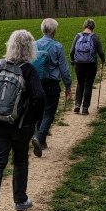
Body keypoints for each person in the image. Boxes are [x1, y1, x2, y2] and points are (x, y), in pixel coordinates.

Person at [0, 30, 45, 211]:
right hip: (21, 126)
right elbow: (39, 97)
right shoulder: (28, 70)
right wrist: (32, 119)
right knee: (21, 160)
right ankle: (20, 200)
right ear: (29, 48)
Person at [32, 18, 73, 157]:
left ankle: (42, 143)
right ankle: (39, 137)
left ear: (42, 30)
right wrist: (68, 85)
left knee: (38, 112)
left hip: (36, 83)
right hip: (51, 84)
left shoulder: (34, 45)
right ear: (54, 31)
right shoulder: (57, 46)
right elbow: (64, 69)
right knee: (49, 113)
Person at [70, 19, 106, 115]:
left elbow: (71, 51)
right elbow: (100, 52)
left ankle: (77, 104)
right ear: (93, 27)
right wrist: (103, 59)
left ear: (84, 26)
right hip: (91, 64)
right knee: (88, 85)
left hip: (78, 64)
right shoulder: (95, 37)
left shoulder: (78, 36)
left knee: (80, 83)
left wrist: (72, 60)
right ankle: (85, 108)